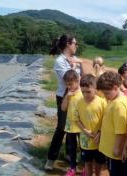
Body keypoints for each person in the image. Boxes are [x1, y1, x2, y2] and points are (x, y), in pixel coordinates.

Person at [45, 34, 82, 170]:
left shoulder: (75, 59)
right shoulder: (60, 61)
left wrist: (77, 63)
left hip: (77, 97)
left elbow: (81, 78)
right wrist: (76, 65)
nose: (76, 46)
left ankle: (68, 153)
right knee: (61, 128)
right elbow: (70, 80)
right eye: (75, 43)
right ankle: (51, 158)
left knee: (74, 127)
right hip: (64, 96)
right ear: (68, 44)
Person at [97, 71, 127, 176]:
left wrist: (116, 148)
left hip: (114, 151)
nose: (105, 96)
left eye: (106, 93)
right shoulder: (114, 99)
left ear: (116, 88)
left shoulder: (119, 105)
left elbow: (121, 130)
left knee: (115, 172)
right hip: (110, 147)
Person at [74, 74, 107, 176]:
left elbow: (106, 120)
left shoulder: (102, 102)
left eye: (88, 92)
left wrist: (100, 132)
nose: (85, 94)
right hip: (85, 140)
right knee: (87, 163)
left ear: (95, 89)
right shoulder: (79, 102)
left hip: (99, 141)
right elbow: (76, 119)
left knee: (99, 163)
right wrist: (85, 131)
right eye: (83, 92)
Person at [61, 70, 83, 176]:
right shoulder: (68, 93)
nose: (68, 86)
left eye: (70, 84)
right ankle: (72, 168)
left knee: (83, 147)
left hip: (82, 126)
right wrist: (67, 97)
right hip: (70, 126)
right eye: (66, 84)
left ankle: (84, 168)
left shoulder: (83, 93)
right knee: (72, 148)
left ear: (77, 80)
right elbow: (63, 108)